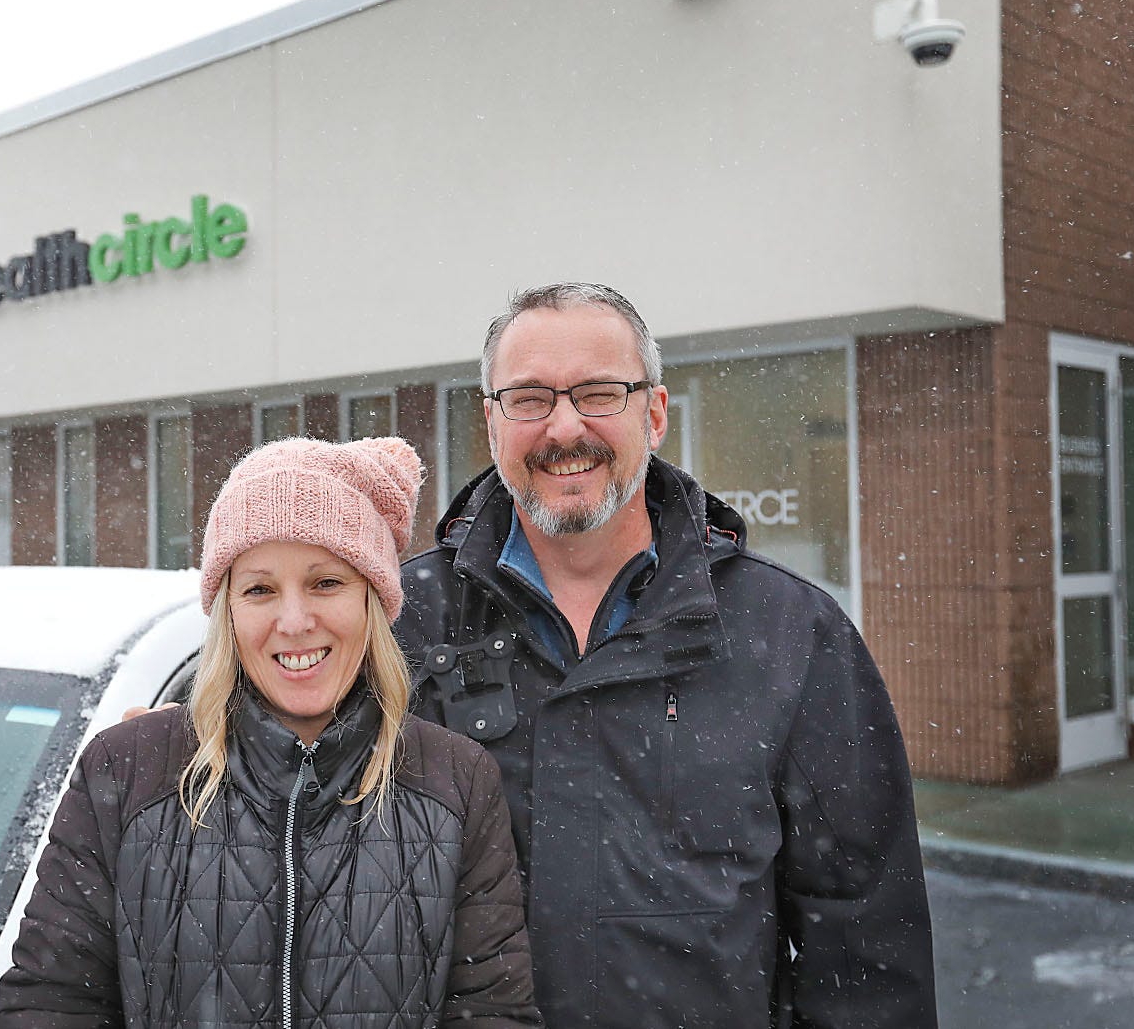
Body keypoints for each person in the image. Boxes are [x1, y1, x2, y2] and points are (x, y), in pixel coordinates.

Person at [398, 283, 938, 1028]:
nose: (564, 426)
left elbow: (867, 936)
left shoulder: (790, 631)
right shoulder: (403, 623)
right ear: (491, 421)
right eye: (528, 398)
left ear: (653, 413)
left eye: (597, 392)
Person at [0, 437, 541, 1029]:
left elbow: (492, 1014)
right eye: (260, 589)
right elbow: (50, 1004)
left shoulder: (454, 781)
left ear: (373, 600)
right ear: (227, 609)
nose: (294, 621)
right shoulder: (126, 771)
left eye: (325, 583)